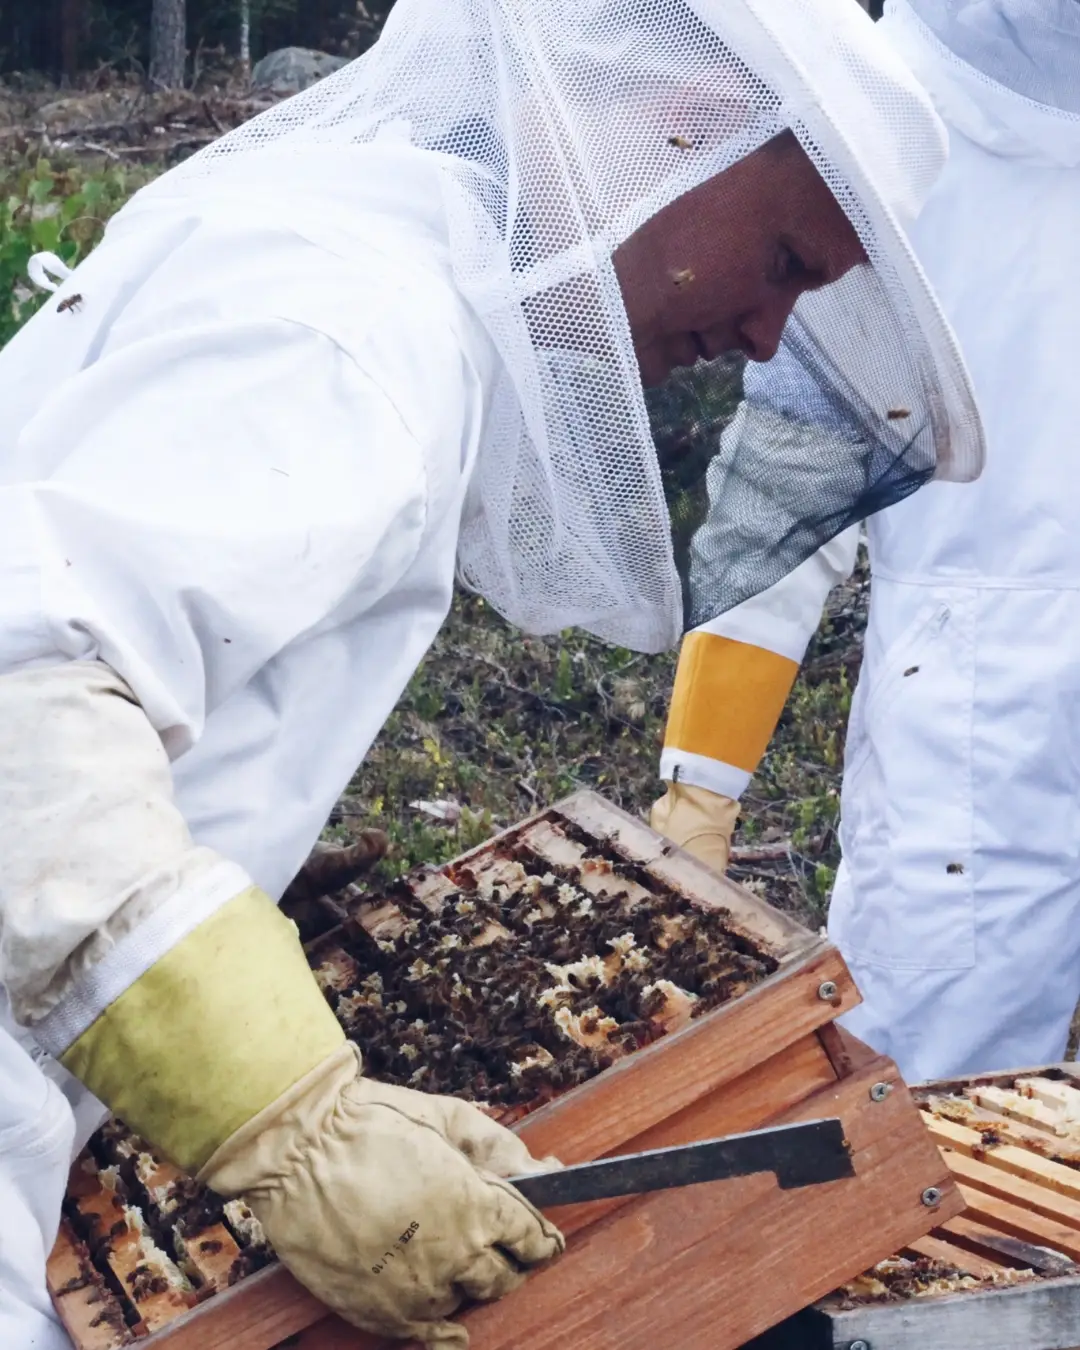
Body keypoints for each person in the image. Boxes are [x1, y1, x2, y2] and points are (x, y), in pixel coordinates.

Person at [0, 0, 982, 1346]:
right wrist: (289, 1119)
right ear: (681, 133)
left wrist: (226, 836)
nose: (766, 335)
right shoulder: (358, 333)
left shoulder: (346, 238)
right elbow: (26, 685)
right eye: (783, 262)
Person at [653, 0, 1080, 1085]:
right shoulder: (883, 122)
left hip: (972, 719)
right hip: (979, 725)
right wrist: (700, 791)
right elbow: (791, 482)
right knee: (942, 1116)